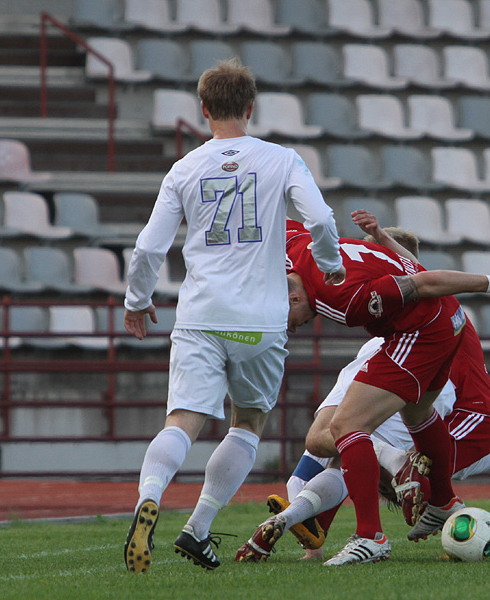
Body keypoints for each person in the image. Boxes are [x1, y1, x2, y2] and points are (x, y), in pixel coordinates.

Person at [122, 58, 345, 574]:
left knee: (182, 421)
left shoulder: (184, 168)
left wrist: (137, 302)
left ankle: (148, 499)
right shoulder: (281, 159)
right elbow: (320, 218)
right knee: (247, 424)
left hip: (200, 315)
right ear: (250, 107)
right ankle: (197, 528)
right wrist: (330, 266)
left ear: (203, 110)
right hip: (260, 320)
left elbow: (149, 247)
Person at [234, 217, 490, 562]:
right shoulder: (320, 258)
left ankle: (370, 531)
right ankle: (430, 498)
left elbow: (421, 281)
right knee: (345, 445)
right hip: (410, 351)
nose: (295, 327)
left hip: (444, 387)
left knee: (342, 438)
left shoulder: (352, 292)